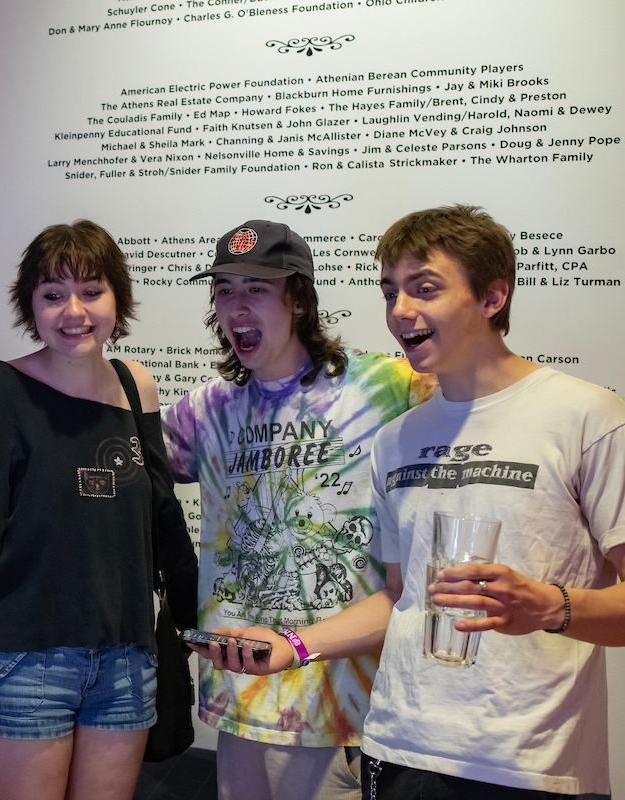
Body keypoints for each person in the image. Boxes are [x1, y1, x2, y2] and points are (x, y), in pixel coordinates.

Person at [205, 205, 625, 798]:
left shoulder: (587, 417)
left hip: (530, 765)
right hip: (398, 750)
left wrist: (552, 607)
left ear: (492, 296)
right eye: (390, 292)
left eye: (424, 288)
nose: (401, 311)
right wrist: (295, 646)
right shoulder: (399, 437)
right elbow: (400, 597)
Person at [0, 220, 197, 800]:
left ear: (118, 299)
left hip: (125, 662)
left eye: (91, 290)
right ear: (29, 305)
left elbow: (162, 520)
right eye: (53, 295)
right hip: (27, 661)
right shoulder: (1, 394)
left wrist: (192, 623)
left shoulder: (138, 388)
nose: (73, 310)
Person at [161, 220, 434, 800]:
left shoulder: (387, 388)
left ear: (299, 300)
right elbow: (117, 474)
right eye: (225, 288)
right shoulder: (205, 411)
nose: (237, 305)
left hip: (339, 710)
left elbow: (479, 411)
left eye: (257, 288)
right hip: (242, 697)